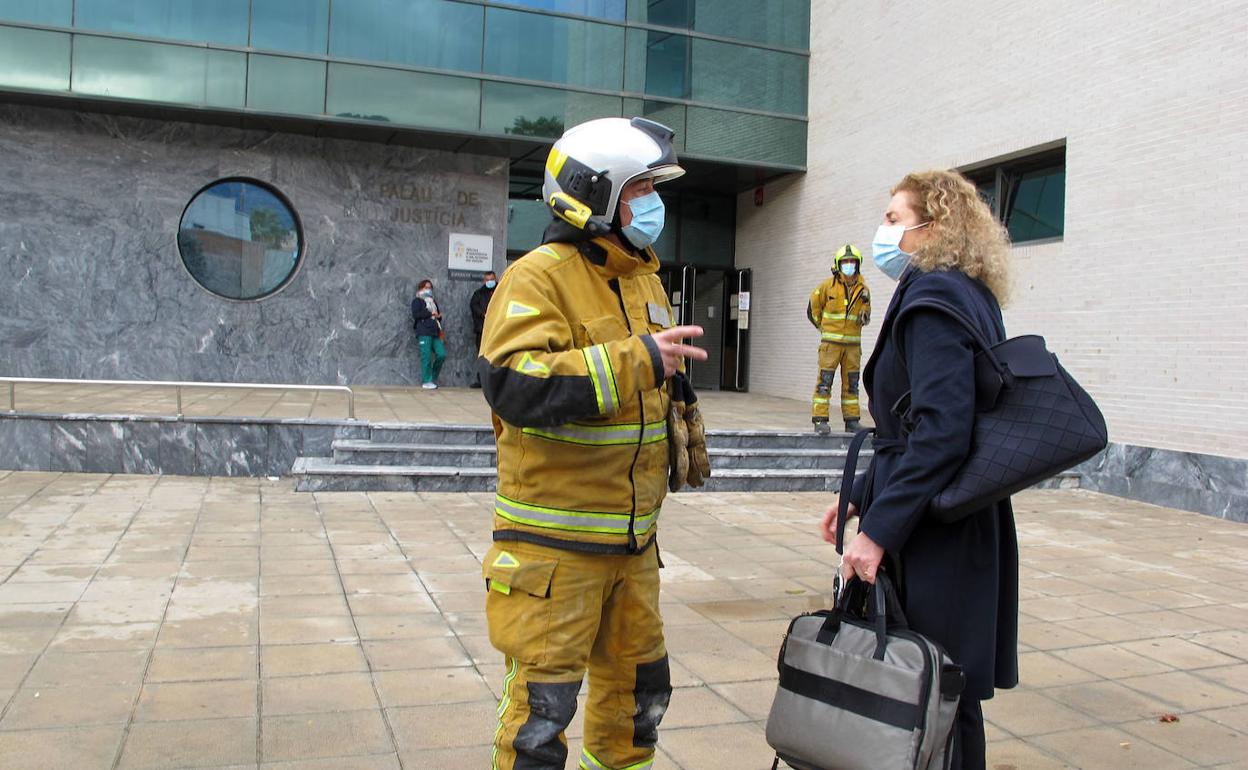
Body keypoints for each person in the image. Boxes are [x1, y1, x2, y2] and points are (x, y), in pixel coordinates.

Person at [477, 117, 707, 770]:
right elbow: (514, 387)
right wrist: (636, 360)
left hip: (634, 546)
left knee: (639, 704)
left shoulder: (643, 278)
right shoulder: (537, 278)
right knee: (539, 722)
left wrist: (679, 414)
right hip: (555, 553)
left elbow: (653, 379)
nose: (652, 204)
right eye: (640, 189)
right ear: (593, 193)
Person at [819, 169, 1018, 770]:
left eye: (893, 220)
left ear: (933, 230)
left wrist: (879, 533)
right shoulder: (963, 292)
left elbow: (940, 433)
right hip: (956, 517)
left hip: (938, 533)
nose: (882, 231)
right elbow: (912, 425)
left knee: (934, 694)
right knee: (943, 693)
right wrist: (858, 494)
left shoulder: (934, 301)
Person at [807, 243, 871, 434]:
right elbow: (812, 310)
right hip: (831, 346)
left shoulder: (864, 290)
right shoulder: (827, 287)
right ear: (838, 264)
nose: (849, 265)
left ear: (858, 264)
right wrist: (825, 329)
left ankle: (852, 421)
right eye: (845, 262)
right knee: (825, 382)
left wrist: (865, 314)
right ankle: (820, 420)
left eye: (852, 262)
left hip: (852, 346)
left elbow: (865, 316)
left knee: (852, 385)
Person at [410, 278, 445, 389]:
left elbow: (436, 316)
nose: (428, 290)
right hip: (424, 331)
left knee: (441, 354)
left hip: (435, 331)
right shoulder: (417, 301)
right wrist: (430, 314)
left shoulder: (433, 302)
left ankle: (432, 377)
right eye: (426, 287)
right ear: (421, 288)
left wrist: (438, 316)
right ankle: (426, 381)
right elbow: (416, 314)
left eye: (430, 288)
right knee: (426, 356)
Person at [469, 271, 497, 388]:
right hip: (482, 330)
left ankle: (495, 381)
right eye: (487, 280)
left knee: (496, 355)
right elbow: (473, 306)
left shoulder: (501, 291)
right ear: (484, 281)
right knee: (482, 355)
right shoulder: (479, 294)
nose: (489, 282)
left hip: (497, 329)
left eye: (491, 279)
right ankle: (482, 381)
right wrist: (483, 314)